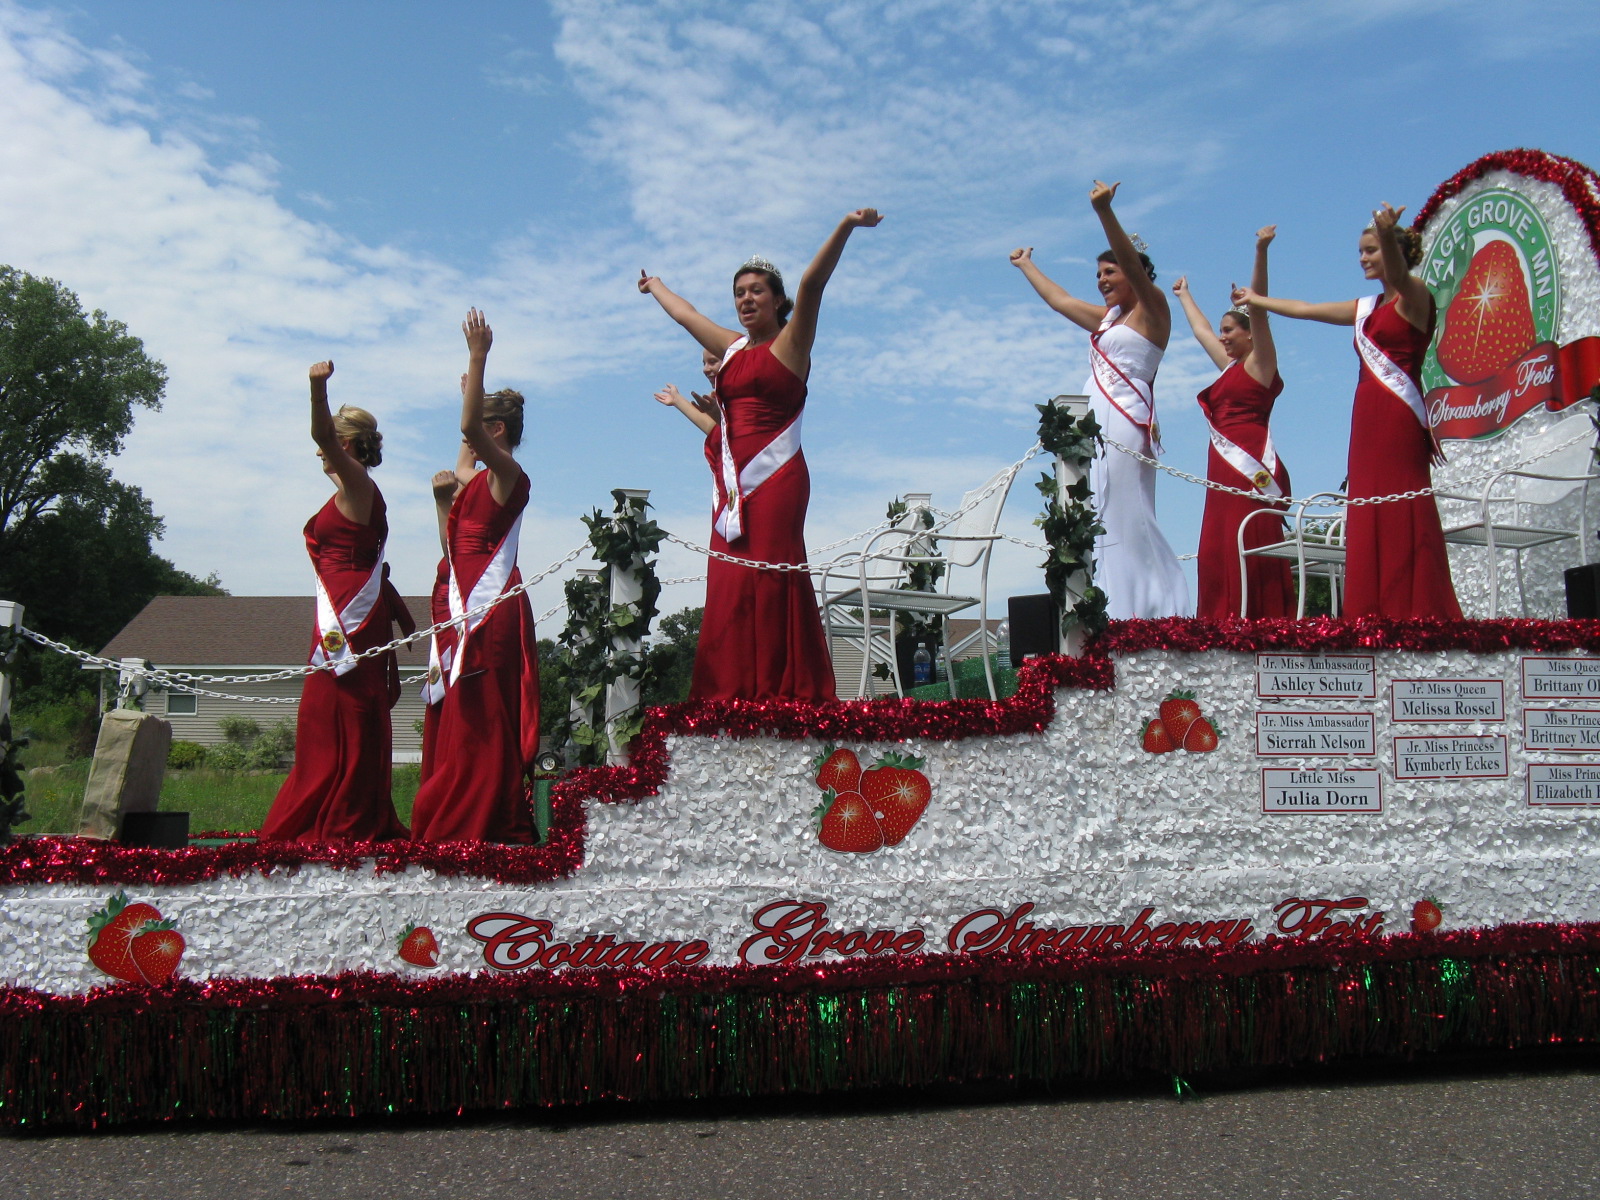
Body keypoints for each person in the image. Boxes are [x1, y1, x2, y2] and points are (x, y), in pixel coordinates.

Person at [639, 208, 883, 700]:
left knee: (771, 577)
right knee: (728, 581)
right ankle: (727, 691)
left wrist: (845, 226)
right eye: (738, 293)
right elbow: (686, 316)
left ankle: (780, 691)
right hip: (731, 487)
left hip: (776, 480)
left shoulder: (792, 344)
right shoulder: (731, 349)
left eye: (756, 291)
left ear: (776, 300)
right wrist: (657, 285)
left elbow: (813, 284)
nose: (745, 299)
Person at [1236, 204, 1463, 619]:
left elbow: (1397, 275)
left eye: (1371, 250)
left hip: (1398, 416)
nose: (1363, 258)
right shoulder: (1365, 308)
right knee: (1367, 506)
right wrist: (1256, 299)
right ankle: (1371, 611)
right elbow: (1306, 308)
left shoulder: (1416, 297)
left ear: (1394, 252)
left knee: (1400, 502)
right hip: (1366, 417)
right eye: (1361, 251)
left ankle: (1417, 608)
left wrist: (1387, 230)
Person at [1010, 181, 1190, 619]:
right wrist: (1026, 266)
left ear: (1135, 273)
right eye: (1098, 274)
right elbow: (1061, 301)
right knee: (1092, 511)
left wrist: (1104, 213)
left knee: (1127, 513)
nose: (1101, 281)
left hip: (1127, 423)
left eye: (1110, 272)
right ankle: (1103, 606)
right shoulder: (1109, 320)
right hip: (1091, 423)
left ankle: (1151, 610)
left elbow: (1127, 257)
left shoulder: (1154, 309)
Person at [261, 361, 411, 843]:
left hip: (352, 614)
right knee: (328, 713)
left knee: (340, 707)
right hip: (342, 606)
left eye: (328, 446)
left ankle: (342, 816)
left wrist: (316, 387)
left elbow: (320, 434)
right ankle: (330, 807)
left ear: (345, 445)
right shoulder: (352, 489)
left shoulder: (357, 484)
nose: (320, 454)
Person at [409, 309, 541, 842]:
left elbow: (467, 429)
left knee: (484, 711)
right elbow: (449, 541)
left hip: (491, 610)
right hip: (456, 605)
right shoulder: (472, 483)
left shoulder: (509, 475)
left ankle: (485, 815)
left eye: (478, 433)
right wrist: (443, 500)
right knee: (456, 710)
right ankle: (452, 805)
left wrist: (478, 357)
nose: (466, 442)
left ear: (496, 432)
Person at [1172, 225, 1295, 619]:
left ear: (1249, 335)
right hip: (1219, 465)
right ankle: (1218, 620)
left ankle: (1261, 618)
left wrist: (1260, 250)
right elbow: (1200, 331)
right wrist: (1184, 295)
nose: (1222, 338)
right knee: (1218, 541)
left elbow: (1259, 309)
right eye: (1223, 332)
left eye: (1230, 332)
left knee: (1249, 536)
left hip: (1249, 464)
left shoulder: (1260, 365)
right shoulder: (1228, 368)